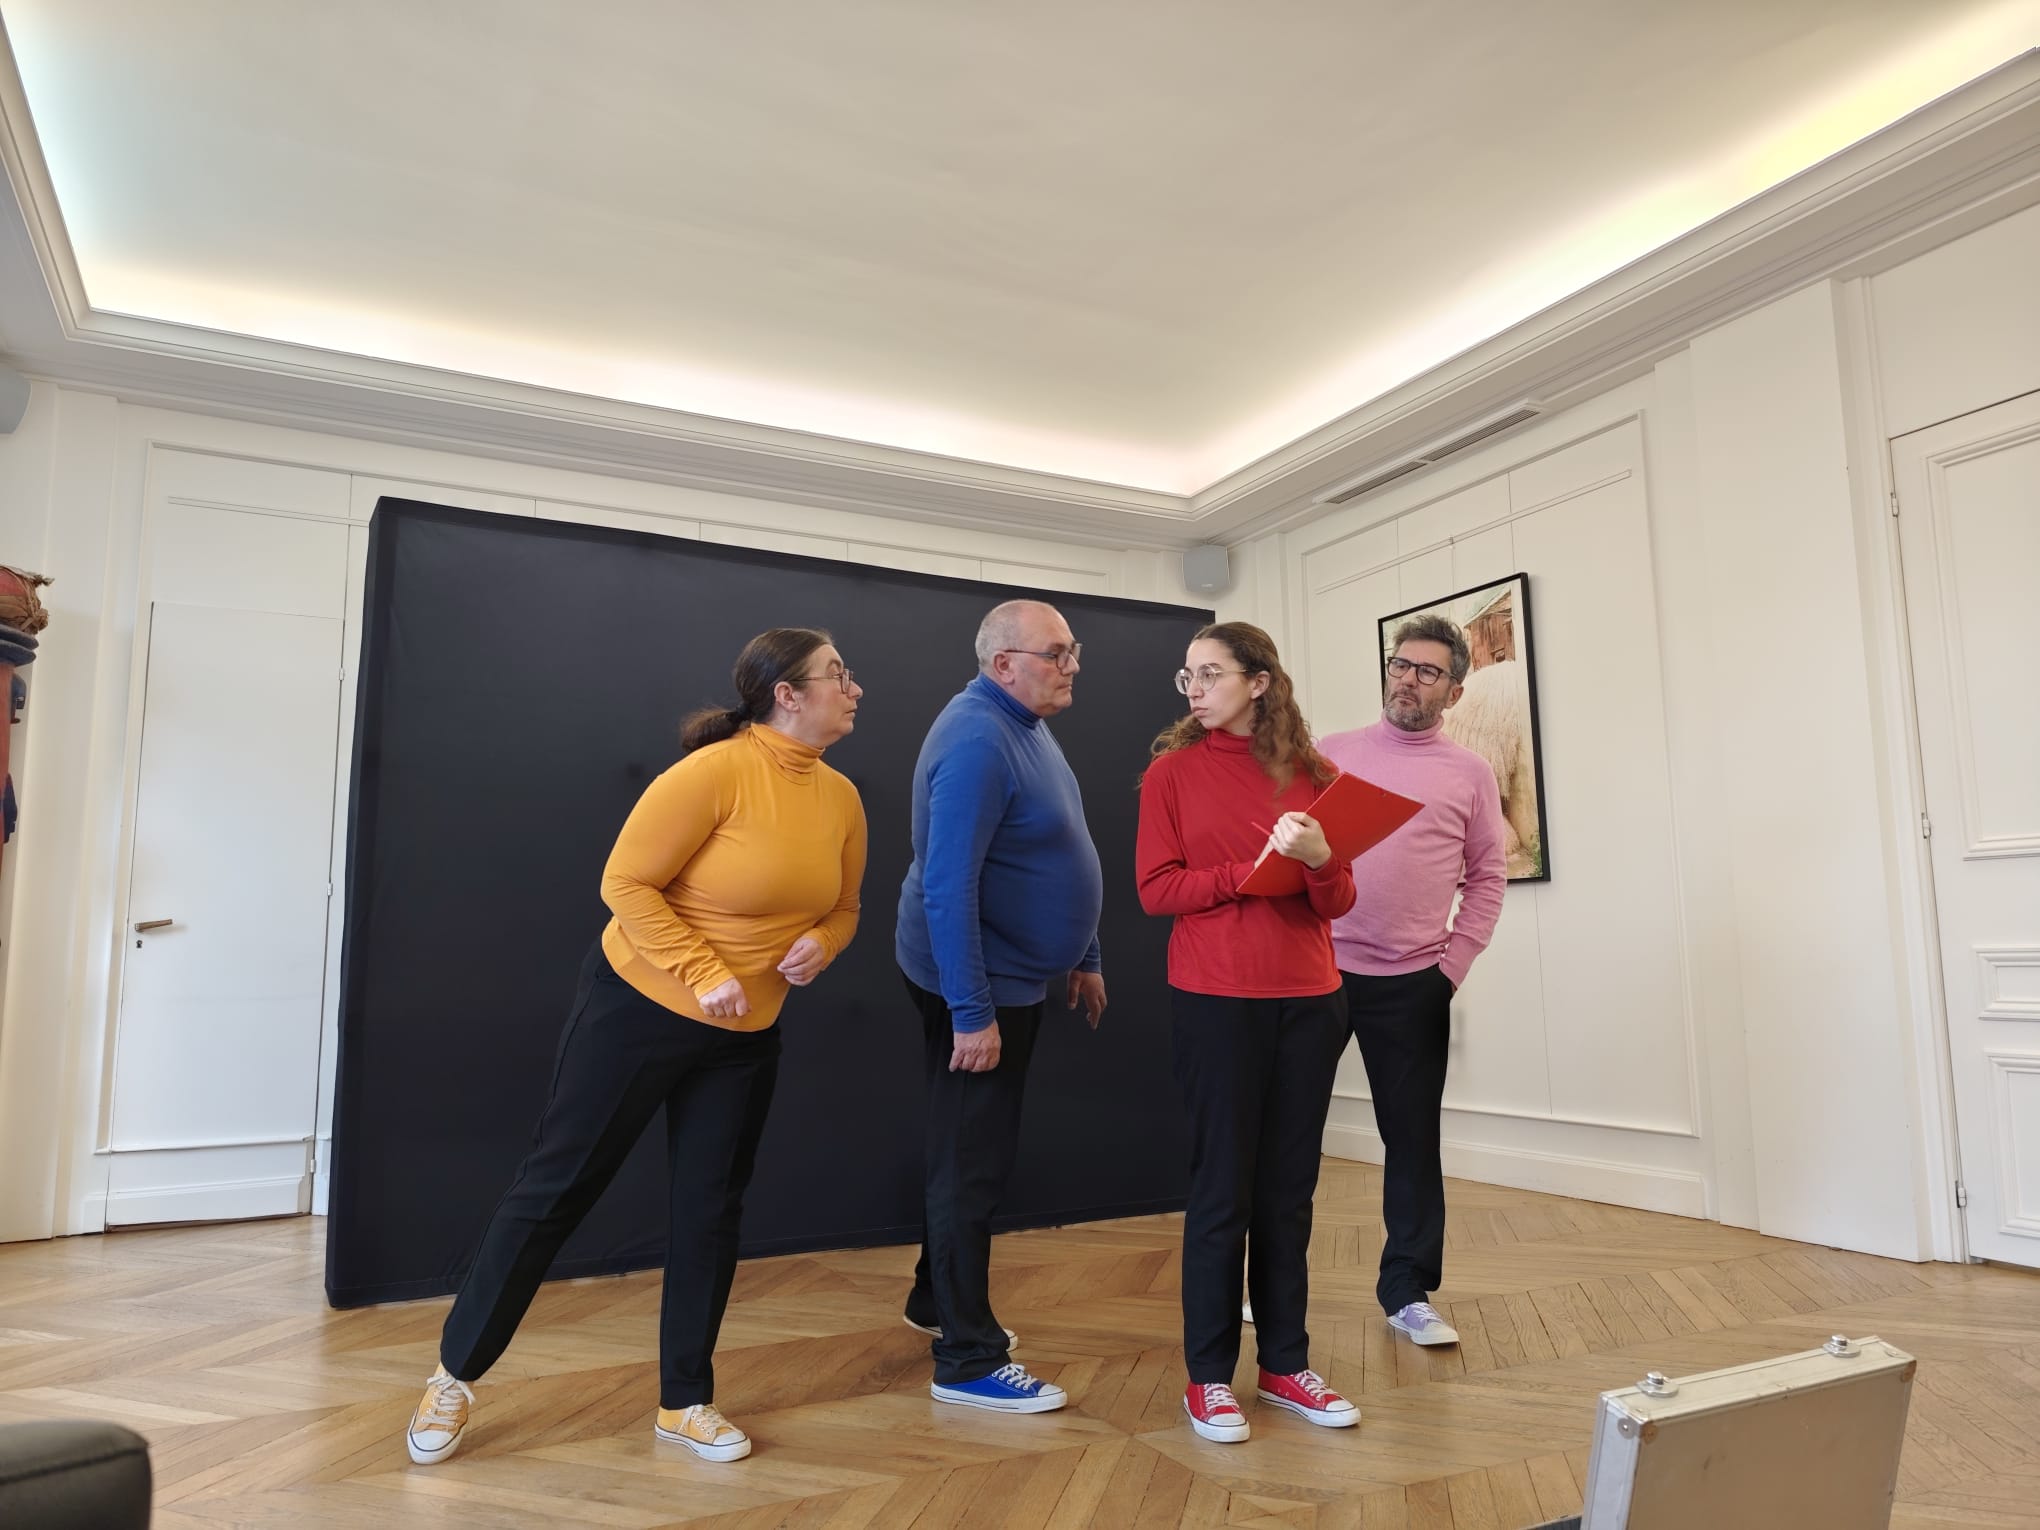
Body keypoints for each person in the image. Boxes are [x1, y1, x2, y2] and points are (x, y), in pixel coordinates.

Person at [405, 629, 868, 1465]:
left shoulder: (841, 797)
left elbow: (845, 908)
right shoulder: (712, 772)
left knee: (710, 1210)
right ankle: (453, 1375)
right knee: (558, 1187)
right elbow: (624, 882)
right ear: (787, 694)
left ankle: (685, 1403)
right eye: (838, 675)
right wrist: (702, 970)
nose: (855, 688)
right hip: (640, 1008)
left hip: (744, 1033)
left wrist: (823, 944)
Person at [1136, 621, 1360, 1444]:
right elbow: (1157, 890)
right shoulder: (1171, 774)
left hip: (1311, 999)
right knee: (1222, 1191)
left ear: (1259, 682)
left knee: (1288, 1195)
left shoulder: (1317, 776)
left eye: (1211, 674)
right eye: (1187, 676)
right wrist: (1257, 873)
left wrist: (1322, 858)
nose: (1194, 689)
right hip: (1216, 1000)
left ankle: (1284, 1365)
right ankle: (1207, 1378)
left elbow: (1338, 901)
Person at [895, 599, 1107, 1414]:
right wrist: (971, 1011)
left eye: (1072, 650)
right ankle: (966, 1359)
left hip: (1012, 978)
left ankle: (933, 1298)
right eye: (1057, 653)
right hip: (976, 984)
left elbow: (1055, 841)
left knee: (967, 1150)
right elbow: (946, 886)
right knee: (970, 1164)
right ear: (1003, 663)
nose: (1072, 665)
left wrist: (1082, 954)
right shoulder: (978, 738)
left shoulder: (1025, 722)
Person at [1319, 613, 1505, 1348]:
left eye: (1427, 671)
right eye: (1400, 665)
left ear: (1453, 692)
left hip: (1414, 983)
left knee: (1413, 1141)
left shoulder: (1470, 774)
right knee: (1287, 1135)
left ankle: (1408, 1290)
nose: (1408, 679)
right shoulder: (1330, 754)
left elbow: (1487, 878)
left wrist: (1449, 971)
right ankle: (1270, 1282)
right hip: (1319, 973)